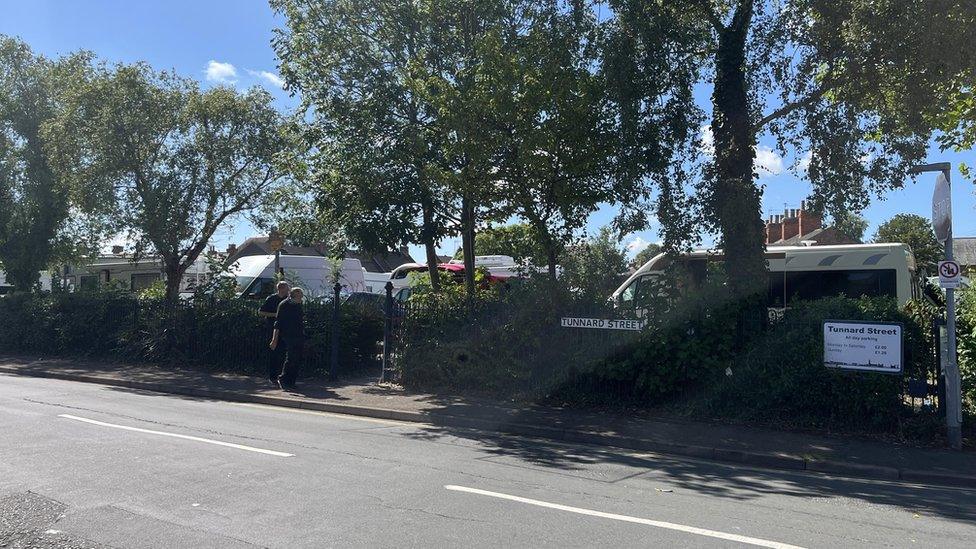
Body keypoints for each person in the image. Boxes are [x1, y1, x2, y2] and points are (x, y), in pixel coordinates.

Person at [269, 287, 305, 390]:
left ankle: (291, 381)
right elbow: (278, 323)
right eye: (299, 297)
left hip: (298, 334)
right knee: (291, 357)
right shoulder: (284, 305)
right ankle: (284, 379)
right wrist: (274, 339)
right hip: (288, 334)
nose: (301, 299)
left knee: (297, 358)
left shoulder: (298, 305)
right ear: (293, 296)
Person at [259, 281, 290, 385]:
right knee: (274, 353)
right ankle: (273, 376)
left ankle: (282, 375)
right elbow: (261, 312)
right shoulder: (271, 299)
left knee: (284, 353)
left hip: (285, 329)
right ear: (281, 289)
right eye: (286, 288)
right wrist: (275, 315)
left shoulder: (288, 300)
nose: (288, 290)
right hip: (272, 329)